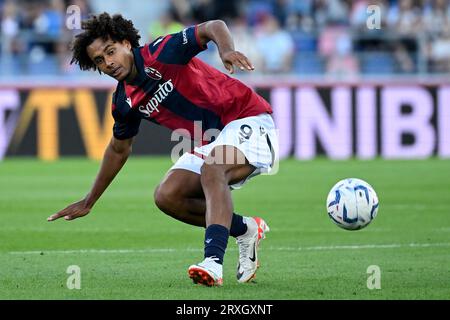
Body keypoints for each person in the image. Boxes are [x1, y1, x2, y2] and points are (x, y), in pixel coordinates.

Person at [47, 13, 278, 287]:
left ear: (125, 43)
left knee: (213, 167)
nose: (108, 62)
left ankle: (213, 263)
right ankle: (245, 229)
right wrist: (89, 200)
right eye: (99, 60)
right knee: (168, 195)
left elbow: (214, 26)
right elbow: (118, 150)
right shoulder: (123, 102)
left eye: (111, 52)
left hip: (248, 117)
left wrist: (225, 50)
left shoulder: (161, 52)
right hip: (216, 141)